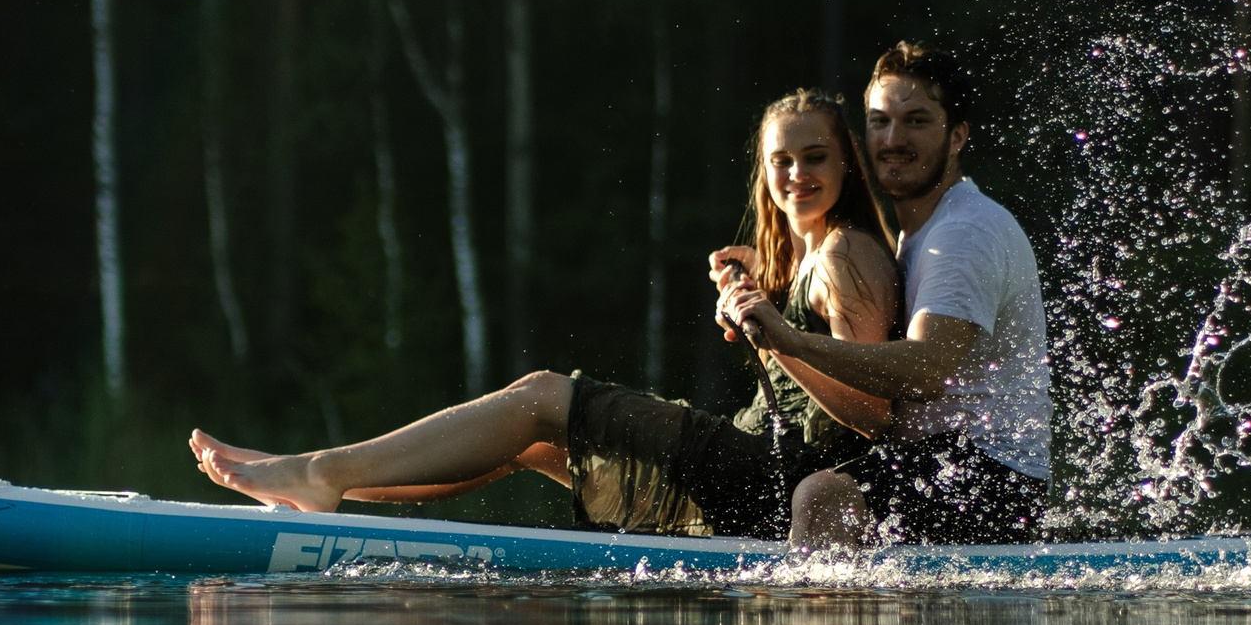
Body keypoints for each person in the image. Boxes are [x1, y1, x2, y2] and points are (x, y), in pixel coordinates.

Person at [188, 90, 898, 537]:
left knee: (540, 398)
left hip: (771, 478)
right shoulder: (809, 252)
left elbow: (869, 413)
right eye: (781, 161)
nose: (797, 175)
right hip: (750, 465)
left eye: (815, 158)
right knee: (526, 443)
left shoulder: (847, 253)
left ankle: (318, 473)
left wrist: (778, 337)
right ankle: (319, 484)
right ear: (763, 169)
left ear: (846, 165)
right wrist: (765, 299)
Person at [716, 40, 1051, 545]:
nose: (893, 139)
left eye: (916, 121)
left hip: (993, 479)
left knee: (821, 496)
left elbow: (927, 368)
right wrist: (765, 275)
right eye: (880, 121)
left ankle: (803, 598)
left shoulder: (963, 233)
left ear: (957, 136)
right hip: (931, 464)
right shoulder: (921, 231)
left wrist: (792, 341)